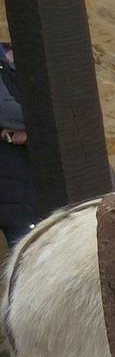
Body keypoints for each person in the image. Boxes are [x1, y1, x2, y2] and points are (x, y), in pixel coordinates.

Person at [0, 42, 36, 248]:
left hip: (33, 175)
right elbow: (7, 113)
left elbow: (67, 109)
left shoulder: (33, 59)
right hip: (11, 178)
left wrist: (29, 131)